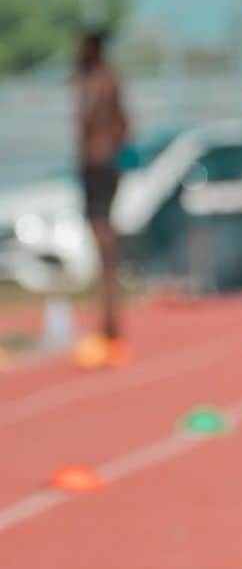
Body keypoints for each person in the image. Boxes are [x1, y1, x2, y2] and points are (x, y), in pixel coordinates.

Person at [73, 28, 131, 367]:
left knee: (104, 241)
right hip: (99, 164)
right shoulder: (99, 79)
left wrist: (110, 150)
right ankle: (108, 318)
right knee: (102, 243)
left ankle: (110, 321)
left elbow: (114, 121)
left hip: (99, 165)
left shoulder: (100, 81)